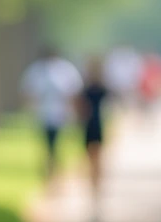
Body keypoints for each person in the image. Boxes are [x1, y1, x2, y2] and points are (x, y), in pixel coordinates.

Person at [20, 46, 84, 182]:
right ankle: (50, 172)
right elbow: (28, 92)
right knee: (47, 145)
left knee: (56, 144)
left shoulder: (64, 69)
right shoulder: (36, 70)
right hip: (43, 115)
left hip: (60, 115)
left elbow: (73, 92)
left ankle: (55, 172)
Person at [77, 56, 110, 194]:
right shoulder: (95, 89)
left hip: (94, 124)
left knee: (95, 157)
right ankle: (94, 182)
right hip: (92, 124)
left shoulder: (96, 89)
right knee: (94, 157)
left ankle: (95, 182)